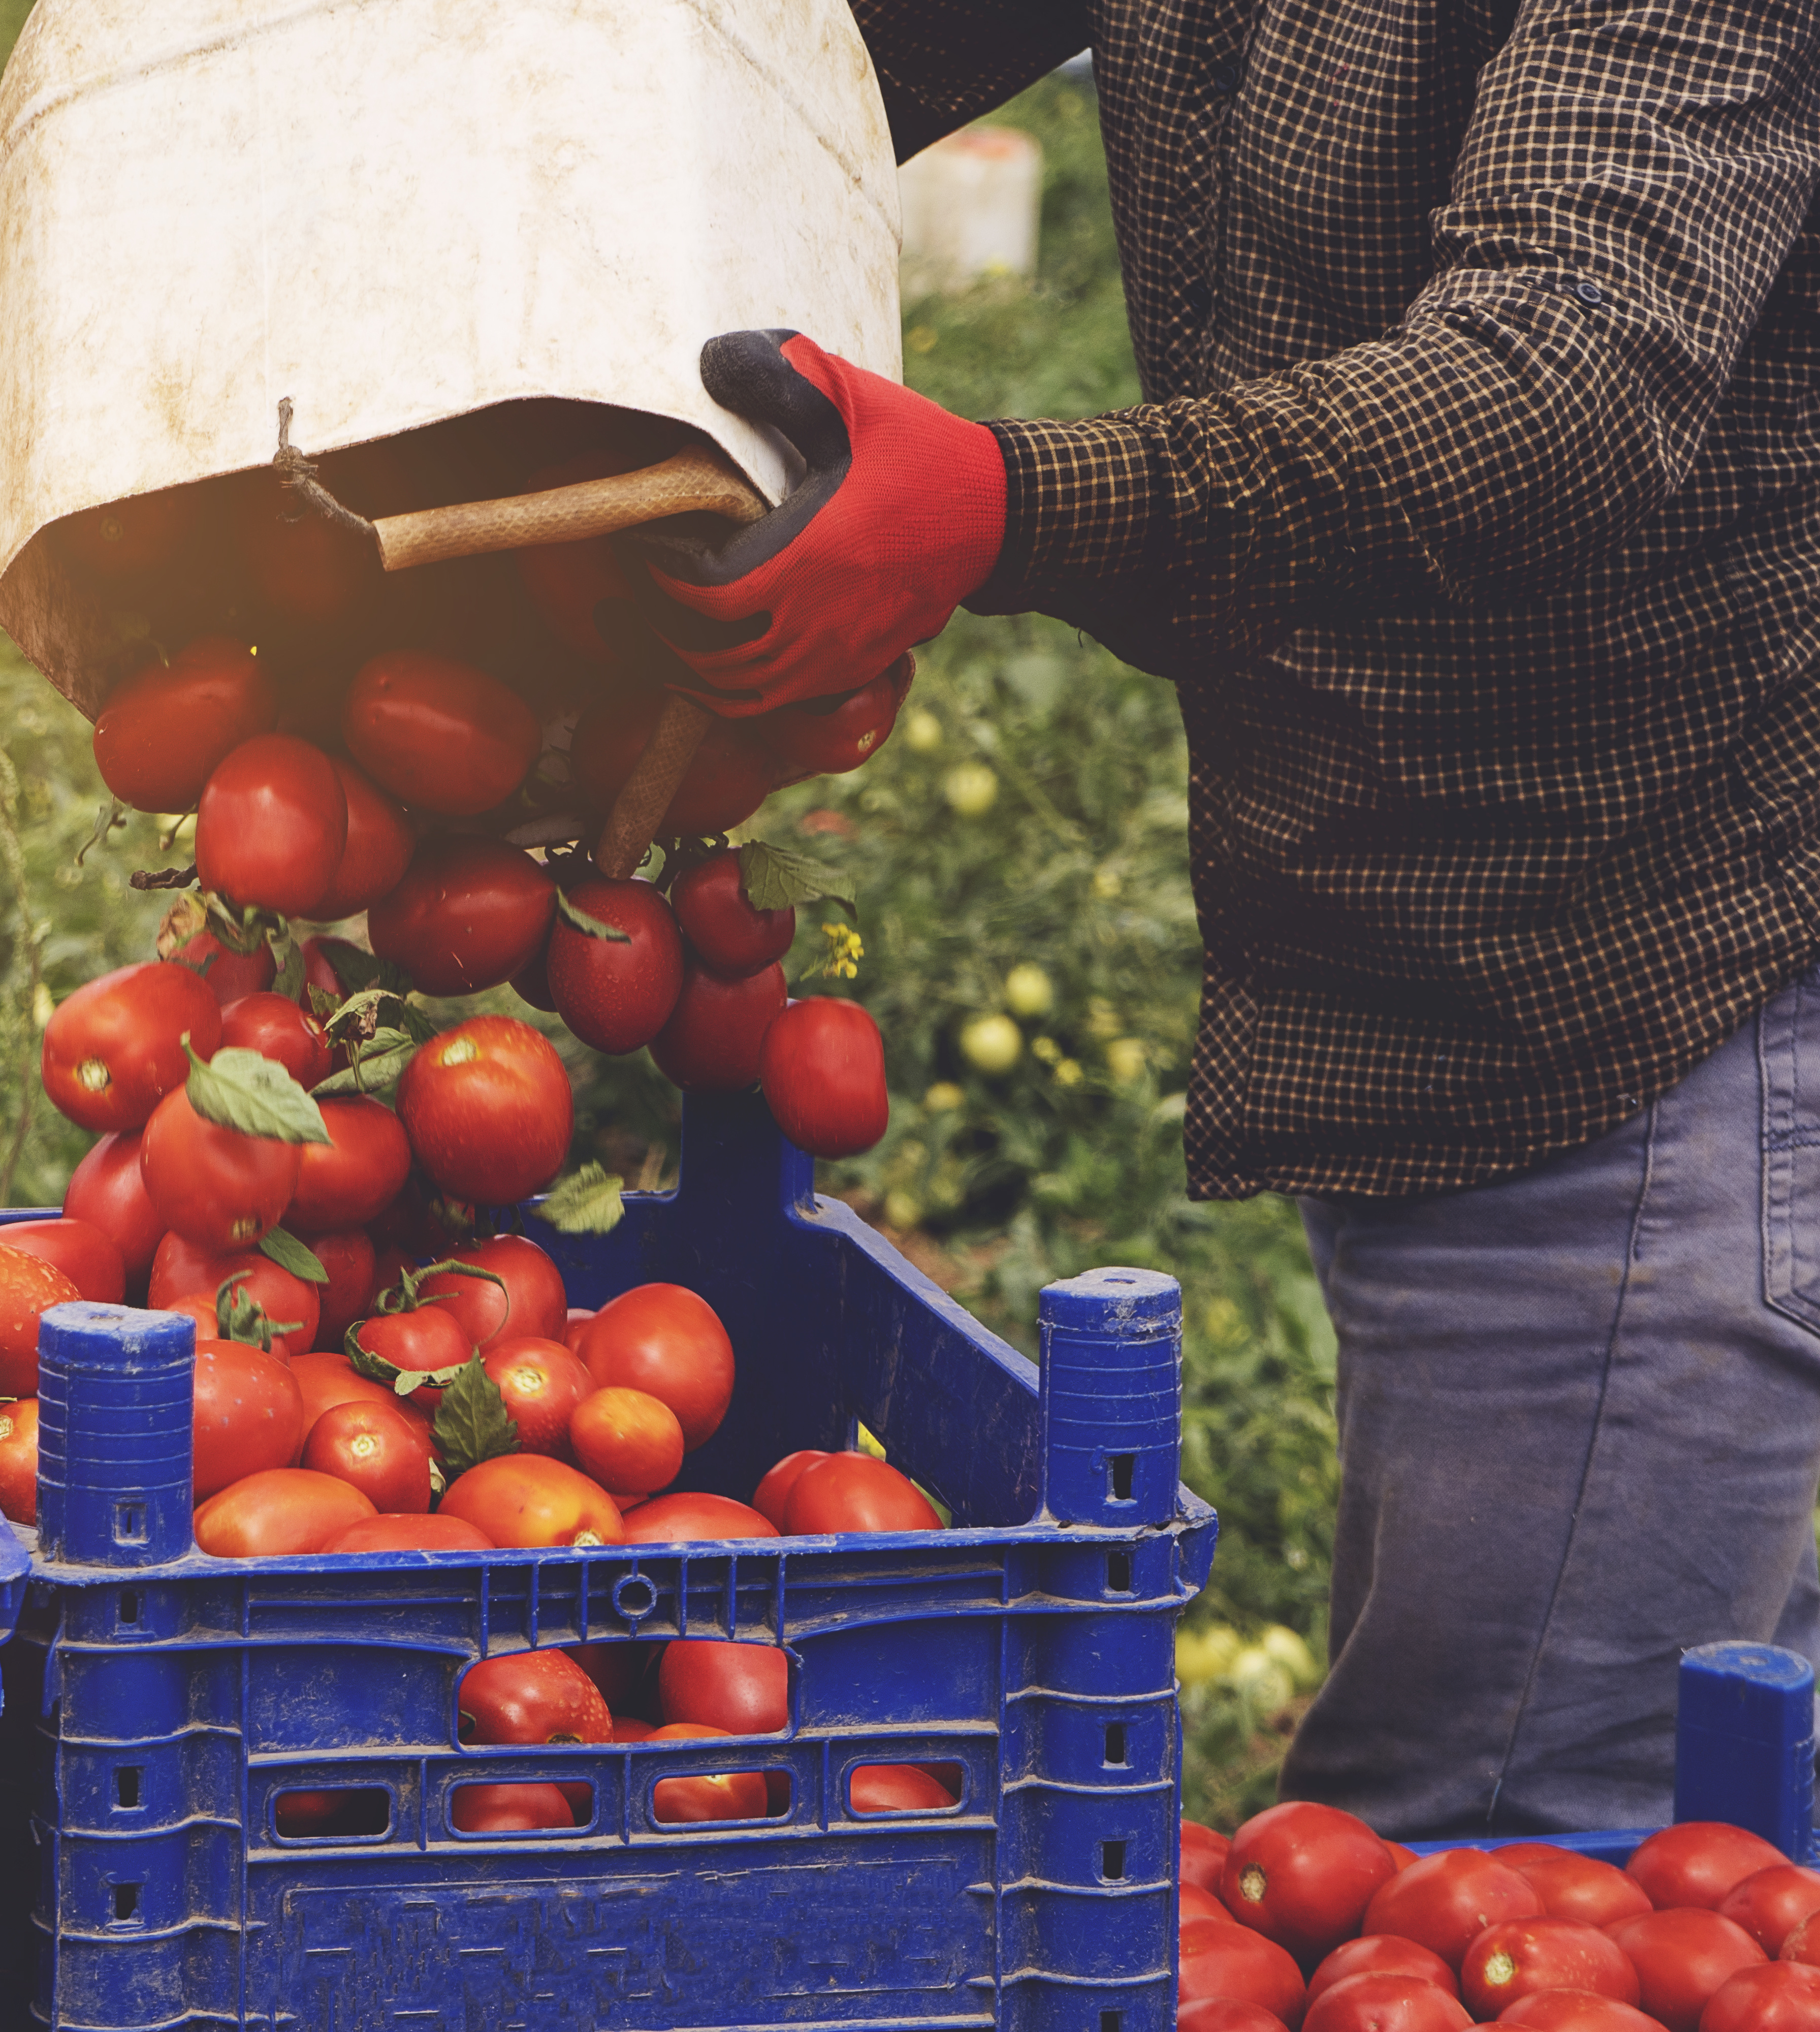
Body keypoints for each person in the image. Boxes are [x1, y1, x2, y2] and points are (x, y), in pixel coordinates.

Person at [616, 4, 1820, 1836]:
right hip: (1429, 922)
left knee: (1490, 1840)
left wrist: (1008, 507)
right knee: (1647, 1758)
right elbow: (814, 43)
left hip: (1637, 971)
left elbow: (1566, 374)